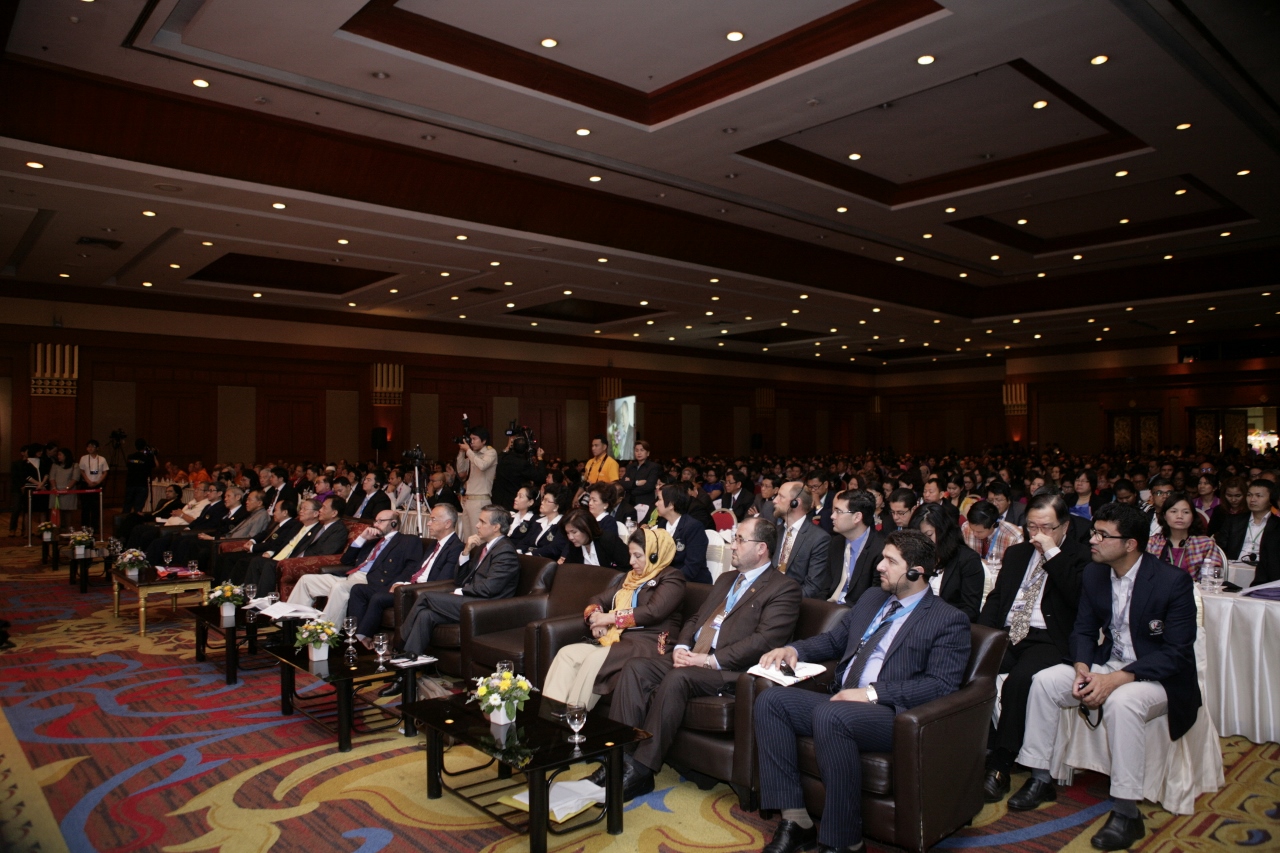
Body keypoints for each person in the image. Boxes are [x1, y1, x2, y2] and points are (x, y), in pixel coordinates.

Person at [753, 530, 970, 853]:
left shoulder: (948, 620)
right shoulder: (872, 598)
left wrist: (872, 693)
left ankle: (846, 842)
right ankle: (796, 820)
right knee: (771, 701)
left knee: (832, 715)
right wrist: (794, 649)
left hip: (889, 714)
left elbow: (940, 685)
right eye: (882, 558)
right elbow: (834, 641)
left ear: (916, 572)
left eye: (890, 561)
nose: (879, 566)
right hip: (842, 701)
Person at [1010, 502, 1200, 852]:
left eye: (1102, 535)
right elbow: (1083, 630)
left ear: (1130, 544)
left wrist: (1118, 679)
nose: (1092, 540)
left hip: (1158, 677)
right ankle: (1040, 777)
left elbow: (1176, 653)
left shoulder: (1171, 581)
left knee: (1123, 703)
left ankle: (1127, 811)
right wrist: (1082, 666)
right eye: (1094, 532)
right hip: (1109, 663)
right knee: (1046, 681)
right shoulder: (1096, 574)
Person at [605, 516, 801, 801]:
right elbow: (697, 618)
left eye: (739, 540)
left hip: (730, 670)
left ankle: (641, 771)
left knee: (678, 677)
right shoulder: (726, 579)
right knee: (636, 668)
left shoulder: (784, 588)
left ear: (761, 548)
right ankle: (618, 759)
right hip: (695, 656)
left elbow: (764, 641)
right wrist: (682, 646)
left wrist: (709, 661)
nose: (732, 545)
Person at [977, 494, 1089, 802]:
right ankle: (983, 749)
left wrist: (1052, 553)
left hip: (1050, 638)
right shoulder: (1017, 553)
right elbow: (997, 598)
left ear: (1064, 526)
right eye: (1031, 526)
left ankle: (1000, 766)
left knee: (1020, 681)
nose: (1038, 534)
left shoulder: (1081, 556)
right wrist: (983, 637)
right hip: (1010, 633)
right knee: (970, 669)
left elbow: (1078, 598)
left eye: (1047, 527)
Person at [543, 527, 686, 710]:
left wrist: (610, 618)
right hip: (618, 641)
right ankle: (549, 716)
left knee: (595, 660)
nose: (631, 561)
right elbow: (597, 599)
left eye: (638, 556)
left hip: (648, 643)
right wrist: (595, 618)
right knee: (567, 654)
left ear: (654, 555)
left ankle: (574, 718)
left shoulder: (672, 578)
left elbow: (653, 611)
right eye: (630, 555)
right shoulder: (630, 578)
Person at [399, 505, 520, 657]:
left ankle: (399, 641)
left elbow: (490, 587)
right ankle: (409, 658)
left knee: (425, 597)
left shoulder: (505, 551)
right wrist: (466, 551)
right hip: (472, 599)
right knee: (425, 614)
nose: (477, 525)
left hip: (486, 606)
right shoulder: (484, 547)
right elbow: (460, 578)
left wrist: (460, 591)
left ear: (496, 527)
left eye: (482, 522)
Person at [350, 504, 465, 653]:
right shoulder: (434, 544)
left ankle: (364, 639)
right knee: (358, 589)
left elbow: (442, 581)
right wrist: (400, 582)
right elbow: (416, 569)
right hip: (408, 585)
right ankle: (356, 636)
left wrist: (406, 587)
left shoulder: (456, 547)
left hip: (419, 592)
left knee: (378, 598)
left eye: (433, 519)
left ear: (447, 523)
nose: (428, 523)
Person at [290, 509, 423, 627]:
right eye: (375, 521)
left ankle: (324, 634)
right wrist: (362, 538)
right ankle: (289, 628)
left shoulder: (407, 540)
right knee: (306, 580)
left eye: (380, 521)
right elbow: (346, 560)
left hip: (369, 581)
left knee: (340, 587)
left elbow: (412, 566)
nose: (375, 524)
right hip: (350, 577)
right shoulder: (372, 540)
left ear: (393, 523)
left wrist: (396, 584)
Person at [916, 503, 983, 621]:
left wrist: (937, 619)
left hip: (946, 623)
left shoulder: (967, 559)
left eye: (929, 535)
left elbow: (970, 610)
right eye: (920, 537)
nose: (925, 541)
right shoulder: (918, 555)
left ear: (944, 531)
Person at [1145, 491, 1225, 579]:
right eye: (1173, 511)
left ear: (1193, 517)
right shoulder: (1152, 543)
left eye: (1186, 512)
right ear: (1164, 516)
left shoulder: (1205, 544)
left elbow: (1212, 579)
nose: (1179, 516)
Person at [773, 481, 832, 599]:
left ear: (795, 503)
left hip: (794, 600)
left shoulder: (818, 538)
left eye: (781, 496)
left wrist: (782, 600)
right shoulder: (775, 532)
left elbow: (812, 586)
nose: (775, 500)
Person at [826, 489, 885, 606]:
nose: (832, 516)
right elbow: (825, 585)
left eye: (838, 511)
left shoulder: (880, 549)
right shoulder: (835, 543)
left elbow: (876, 597)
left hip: (858, 610)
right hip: (830, 607)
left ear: (857, 517)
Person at [217, 499, 297, 583]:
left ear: (285, 512)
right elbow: (264, 533)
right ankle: (218, 586)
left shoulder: (291, 525)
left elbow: (274, 544)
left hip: (265, 552)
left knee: (237, 561)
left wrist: (253, 547)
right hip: (259, 549)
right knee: (223, 557)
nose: (273, 513)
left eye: (276, 510)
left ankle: (230, 587)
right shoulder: (276, 523)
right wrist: (252, 540)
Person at [654, 484, 711, 583]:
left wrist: (666, 580)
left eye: (659, 499)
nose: (656, 504)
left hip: (692, 583)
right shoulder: (662, 525)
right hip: (666, 580)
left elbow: (692, 567)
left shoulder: (693, 527)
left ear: (671, 505)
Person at [1216, 479, 1278, 563]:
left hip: (1263, 568)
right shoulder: (1233, 521)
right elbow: (1219, 548)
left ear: (1271, 499)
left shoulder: (1277, 524)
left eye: (1258, 496)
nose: (1252, 499)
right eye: (1249, 495)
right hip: (1234, 566)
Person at [457, 426, 498, 540]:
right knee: (468, 538)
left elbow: (482, 465)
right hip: (467, 500)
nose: (471, 442)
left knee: (478, 537)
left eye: (474, 439)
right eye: (470, 439)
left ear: (483, 441)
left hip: (480, 500)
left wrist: (468, 451)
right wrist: (462, 452)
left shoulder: (490, 452)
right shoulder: (472, 454)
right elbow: (461, 472)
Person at [560, 508, 629, 569]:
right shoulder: (574, 546)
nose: (570, 537)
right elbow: (569, 570)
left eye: (574, 532)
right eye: (567, 533)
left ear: (587, 528)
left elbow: (626, 566)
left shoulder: (608, 540)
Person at [962, 500, 1024, 565]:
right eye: (972, 529)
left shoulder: (1014, 537)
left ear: (993, 525)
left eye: (979, 532)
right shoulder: (966, 527)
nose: (974, 534)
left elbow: (1015, 565)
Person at [492, 433, 542, 510]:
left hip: (497, 500)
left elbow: (500, 455)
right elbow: (540, 477)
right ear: (526, 450)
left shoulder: (502, 459)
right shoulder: (523, 464)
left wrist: (508, 446)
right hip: (512, 502)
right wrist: (540, 458)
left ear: (513, 447)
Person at [621, 439, 662, 516]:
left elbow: (649, 486)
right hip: (629, 502)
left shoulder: (653, 467)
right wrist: (636, 483)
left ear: (648, 453)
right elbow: (623, 484)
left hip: (644, 502)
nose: (639, 453)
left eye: (642, 450)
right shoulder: (630, 466)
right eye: (636, 450)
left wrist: (630, 488)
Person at [77, 439, 108, 533]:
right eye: (88, 446)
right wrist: (88, 481)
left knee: (96, 508)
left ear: (97, 448)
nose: (90, 448)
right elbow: (82, 471)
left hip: (97, 485)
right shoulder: (83, 458)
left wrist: (98, 482)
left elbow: (105, 472)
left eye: (92, 446)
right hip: (86, 484)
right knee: (85, 507)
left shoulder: (102, 459)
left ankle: (95, 527)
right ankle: (84, 527)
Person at [120, 438, 157, 517]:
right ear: (145, 447)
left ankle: (123, 521)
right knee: (138, 508)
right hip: (141, 485)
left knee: (127, 506)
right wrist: (153, 454)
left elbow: (129, 465)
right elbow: (156, 466)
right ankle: (136, 521)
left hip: (130, 484)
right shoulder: (147, 458)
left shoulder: (130, 457)